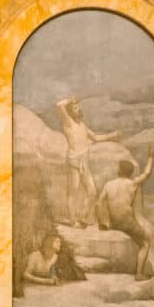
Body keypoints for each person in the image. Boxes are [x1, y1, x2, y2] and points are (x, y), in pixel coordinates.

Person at [97, 148, 154, 281]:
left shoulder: (108, 184)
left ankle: (139, 272)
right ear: (130, 173)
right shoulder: (133, 183)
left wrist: (102, 222)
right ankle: (139, 274)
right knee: (146, 243)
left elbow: (98, 203)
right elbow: (147, 173)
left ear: (119, 171)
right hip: (128, 223)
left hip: (114, 223)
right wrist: (151, 157)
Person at [56, 97, 120, 228]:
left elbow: (95, 138)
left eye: (78, 107)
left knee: (92, 191)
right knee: (73, 192)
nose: (78, 109)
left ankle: (83, 217)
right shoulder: (69, 123)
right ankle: (74, 222)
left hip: (84, 161)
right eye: (75, 108)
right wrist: (71, 99)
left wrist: (112, 135)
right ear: (70, 112)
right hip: (74, 161)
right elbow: (58, 104)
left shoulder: (82, 125)